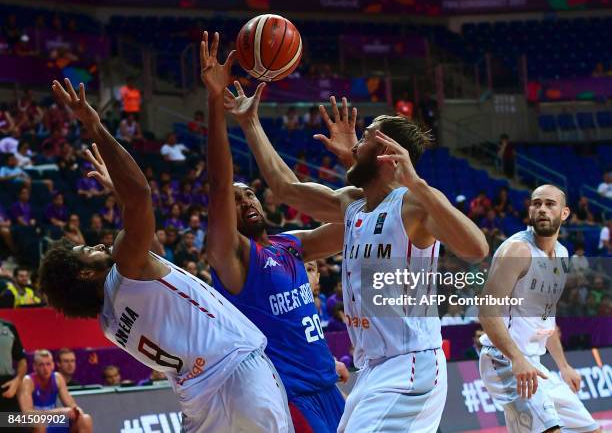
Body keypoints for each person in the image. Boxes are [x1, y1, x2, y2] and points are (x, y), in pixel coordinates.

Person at [229, 81, 488, 431]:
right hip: (371, 370)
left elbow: (477, 249)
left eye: (365, 137)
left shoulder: (413, 204)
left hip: (410, 364)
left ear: (386, 153)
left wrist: (418, 184)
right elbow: (286, 189)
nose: (353, 142)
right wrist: (250, 123)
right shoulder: (353, 203)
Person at [40, 77, 291, 433]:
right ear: (83, 274)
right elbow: (141, 195)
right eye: (88, 251)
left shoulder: (110, 321)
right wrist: (94, 124)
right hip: (238, 373)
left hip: (198, 401)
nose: (97, 245)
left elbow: (156, 254)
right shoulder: (125, 266)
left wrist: (118, 195)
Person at [205, 31, 347, 433]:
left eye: (250, 193)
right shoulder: (233, 257)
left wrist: (354, 162)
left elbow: (355, 222)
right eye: (236, 199)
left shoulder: (291, 245)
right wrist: (216, 100)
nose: (246, 200)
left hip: (329, 388)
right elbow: (219, 183)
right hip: (288, 398)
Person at [479, 185, 600, 433]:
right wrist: (516, 358)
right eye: (536, 203)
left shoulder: (562, 255)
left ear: (564, 213)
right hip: (504, 359)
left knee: (592, 431)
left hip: (535, 363)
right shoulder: (518, 250)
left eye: (549, 204)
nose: (542, 209)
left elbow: (546, 320)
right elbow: (486, 310)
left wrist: (564, 366)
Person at [18, 350, 93, 432]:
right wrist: (58, 412)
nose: (45, 368)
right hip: (28, 422)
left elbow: (72, 405)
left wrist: (77, 412)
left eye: (48, 364)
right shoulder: (27, 381)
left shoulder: (58, 378)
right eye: (41, 365)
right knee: (38, 423)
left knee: (85, 419)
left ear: (53, 365)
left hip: (52, 420)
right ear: (35, 367)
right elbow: (27, 413)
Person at [0, 318, 26, 416]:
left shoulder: (9, 327)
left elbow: (21, 360)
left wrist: (17, 380)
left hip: (7, 387)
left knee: (12, 426)